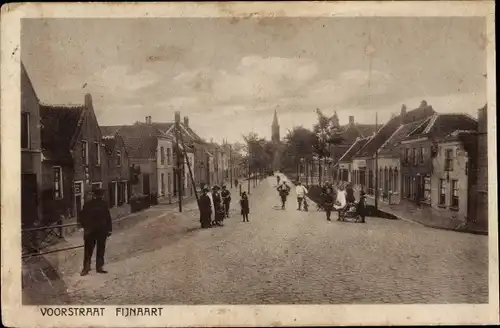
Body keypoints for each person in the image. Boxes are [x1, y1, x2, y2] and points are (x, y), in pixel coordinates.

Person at [79, 188, 112, 276]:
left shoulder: (87, 204)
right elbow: (108, 218)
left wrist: (83, 226)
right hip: (101, 230)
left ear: (94, 195)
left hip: (90, 231)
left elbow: (81, 216)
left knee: (88, 250)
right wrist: (109, 230)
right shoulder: (104, 204)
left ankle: (86, 268)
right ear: (101, 195)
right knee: (100, 249)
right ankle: (99, 267)